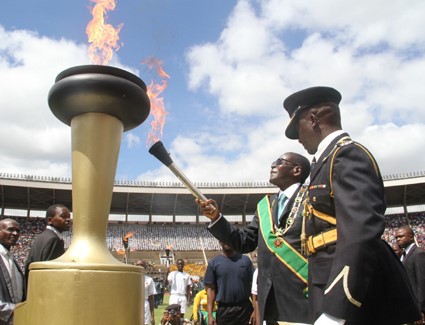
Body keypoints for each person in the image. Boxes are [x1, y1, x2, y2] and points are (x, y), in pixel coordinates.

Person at [283, 86, 421, 324]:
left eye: (298, 130)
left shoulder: (347, 156)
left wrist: (337, 306)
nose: (299, 139)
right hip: (326, 280)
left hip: (350, 293)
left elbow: (360, 231)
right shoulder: (325, 162)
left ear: (314, 119)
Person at [197, 152, 311, 324]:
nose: (273, 165)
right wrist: (216, 218)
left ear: (297, 170)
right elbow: (244, 242)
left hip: (302, 295)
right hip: (270, 300)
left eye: (280, 161)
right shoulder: (265, 205)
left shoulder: (313, 197)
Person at [203, 241, 254, 325]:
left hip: (245, 309)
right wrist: (210, 314)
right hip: (224, 310)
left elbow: (253, 286)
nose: (227, 241)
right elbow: (211, 290)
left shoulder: (245, 261)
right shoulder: (214, 263)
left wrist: (256, 310)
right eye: (224, 239)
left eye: (229, 238)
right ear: (220, 242)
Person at [24, 204, 71, 283]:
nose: (68, 219)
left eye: (69, 217)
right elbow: (50, 273)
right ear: (50, 220)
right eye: (63, 216)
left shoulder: (42, 236)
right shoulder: (53, 239)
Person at [395, 226, 425, 324]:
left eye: (401, 236)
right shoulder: (404, 255)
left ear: (411, 237)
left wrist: (420, 309)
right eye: (396, 237)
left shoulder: (418, 254)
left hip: (418, 309)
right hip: (409, 307)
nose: (398, 239)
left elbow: (422, 283)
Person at [0, 218, 26, 325]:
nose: (15, 233)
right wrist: (13, 311)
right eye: (10, 230)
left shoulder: (11, 259)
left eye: (18, 231)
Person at [135, 260, 157, 325]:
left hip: (145, 304)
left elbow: (151, 298)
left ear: (145, 267)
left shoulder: (149, 280)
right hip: (134, 304)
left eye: (141, 265)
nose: (139, 266)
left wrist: (152, 316)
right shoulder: (131, 278)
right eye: (138, 265)